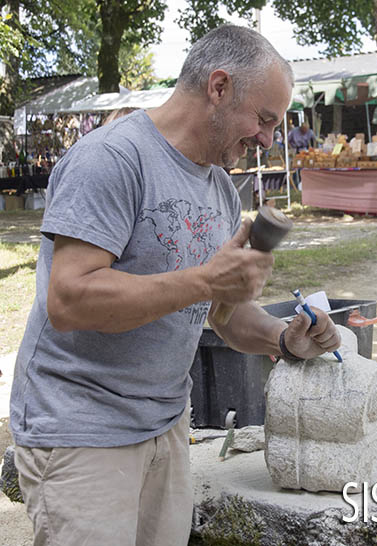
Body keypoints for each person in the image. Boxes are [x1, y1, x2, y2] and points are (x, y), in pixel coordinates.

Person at [10, 24, 340, 546]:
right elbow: (69, 300)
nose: (267, 139)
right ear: (219, 87)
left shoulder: (220, 188)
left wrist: (282, 338)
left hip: (165, 426)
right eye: (263, 119)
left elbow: (221, 313)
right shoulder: (112, 159)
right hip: (82, 431)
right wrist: (205, 279)